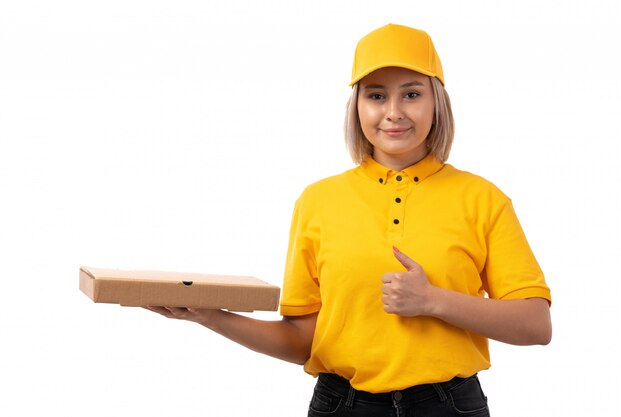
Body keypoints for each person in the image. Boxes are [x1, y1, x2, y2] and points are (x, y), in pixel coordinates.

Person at [146, 23, 552, 416]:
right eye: (376, 96)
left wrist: (433, 300)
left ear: (436, 103)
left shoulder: (483, 198)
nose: (393, 112)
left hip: (449, 406)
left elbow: (536, 325)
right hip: (343, 406)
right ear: (357, 106)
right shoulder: (319, 201)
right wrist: (209, 316)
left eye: (411, 94)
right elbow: (303, 342)